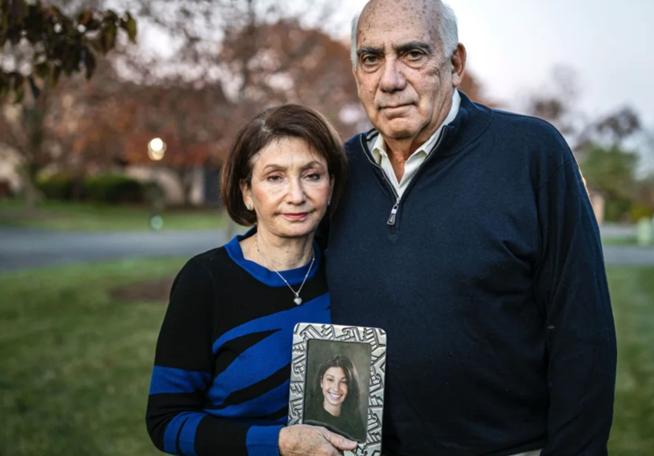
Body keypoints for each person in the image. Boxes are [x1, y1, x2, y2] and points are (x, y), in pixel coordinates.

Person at [325, 1, 617, 455]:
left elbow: (584, 329)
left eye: (413, 54)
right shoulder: (335, 173)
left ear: (455, 63)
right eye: (371, 58)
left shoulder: (531, 154)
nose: (390, 79)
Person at [145, 104, 357, 456]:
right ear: (246, 190)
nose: (296, 195)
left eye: (312, 175)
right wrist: (278, 443)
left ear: (331, 184)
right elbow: (166, 422)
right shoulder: (206, 281)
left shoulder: (346, 272)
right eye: (275, 177)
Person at [304, 355, 366, 442]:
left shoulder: (355, 423)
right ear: (321, 382)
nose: (336, 388)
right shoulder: (307, 417)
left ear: (350, 386)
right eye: (330, 379)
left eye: (343, 382)